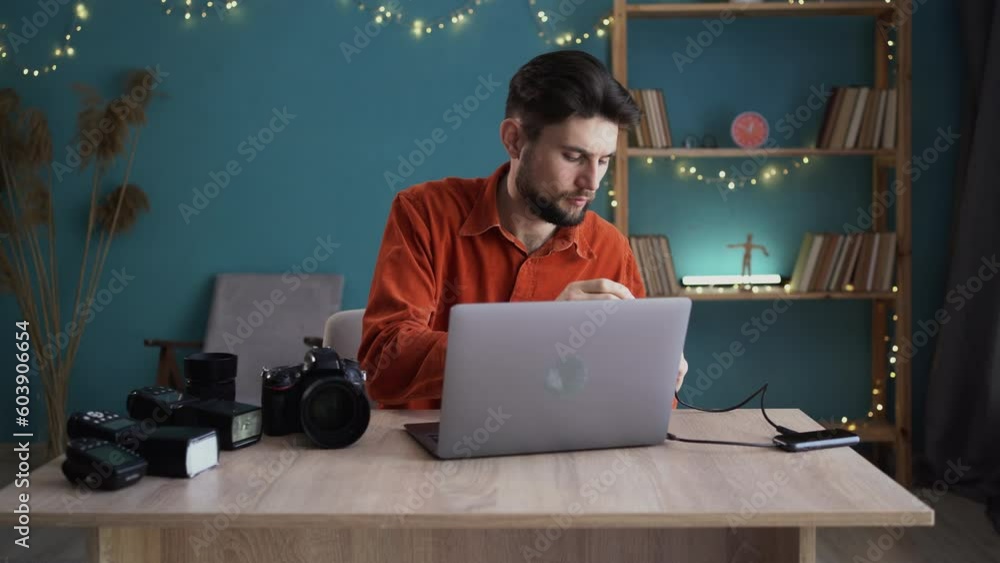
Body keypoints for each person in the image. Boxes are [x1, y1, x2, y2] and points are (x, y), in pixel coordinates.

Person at [358, 50, 688, 410]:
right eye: (574, 156)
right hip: (430, 458)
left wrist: (656, 375)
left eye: (604, 160)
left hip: (565, 453)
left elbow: (640, 401)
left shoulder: (610, 247)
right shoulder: (424, 214)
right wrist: (537, 337)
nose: (592, 182)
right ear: (514, 140)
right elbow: (382, 366)